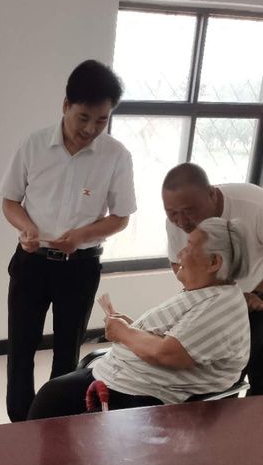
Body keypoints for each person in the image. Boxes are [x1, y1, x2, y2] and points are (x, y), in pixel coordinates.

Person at [0, 59, 136, 423]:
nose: (91, 129)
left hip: (80, 267)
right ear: (66, 106)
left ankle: (57, 422)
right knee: (21, 347)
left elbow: (121, 217)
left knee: (67, 351)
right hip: (31, 262)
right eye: (83, 117)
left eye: (101, 120)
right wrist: (26, 228)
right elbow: (10, 201)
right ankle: (19, 422)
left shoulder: (116, 156)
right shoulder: (34, 145)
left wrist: (81, 236)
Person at [28, 218, 250, 419]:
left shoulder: (222, 305)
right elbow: (175, 336)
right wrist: (132, 327)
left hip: (146, 393)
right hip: (120, 377)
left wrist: (124, 332)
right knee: (51, 397)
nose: (180, 253)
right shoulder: (206, 293)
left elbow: (168, 353)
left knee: (64, 416)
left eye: (190, 247)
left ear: (214, 262)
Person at [163, 162, 263, 395]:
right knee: (210, 380)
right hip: (216, 301)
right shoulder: (176, 222)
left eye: (189, 211)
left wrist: (255, 294)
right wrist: (213, 298)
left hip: (258, 298)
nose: (182, 222)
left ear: (212, 194)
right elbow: (178, 265)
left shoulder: (255, 205)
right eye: (172, 213)